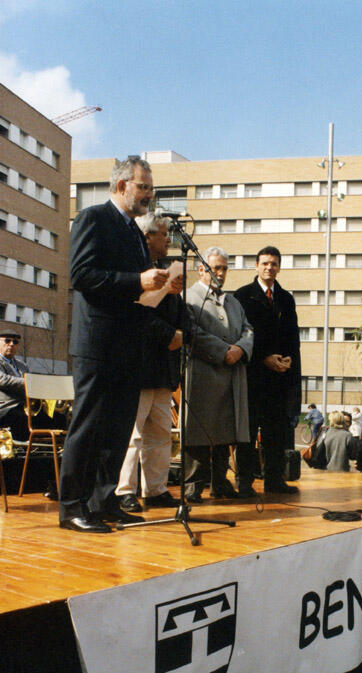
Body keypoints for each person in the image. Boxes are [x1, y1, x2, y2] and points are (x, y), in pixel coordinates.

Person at [58, 156, 173, 533]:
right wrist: (138, 281)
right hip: (98, 342)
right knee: (89, 425)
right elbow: (83, 275)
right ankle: (73, 506)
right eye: (143, 187)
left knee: (118, 429)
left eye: (151, 189)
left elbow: (135, 288)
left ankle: (104, 501)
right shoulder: (93, 219)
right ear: (122, 186)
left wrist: (159, 289)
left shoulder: (136, 234)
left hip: (128, 345)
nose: (149, 195)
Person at [117, 212, 189, 512]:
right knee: (133, 434)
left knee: (160, 433)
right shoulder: (136, 268)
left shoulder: (167, 271)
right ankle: (124, 490)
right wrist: (168, 334)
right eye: (163, 234)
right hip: (139, 363)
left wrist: (183, 332)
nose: (168, 239)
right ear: (147, 236)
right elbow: (139, 315)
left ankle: (156, 489)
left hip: (163, 367)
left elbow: (180, 313)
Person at [184, 247, 254, 503]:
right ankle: (193, 484)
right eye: (216, 268)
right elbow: (192, 332)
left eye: (224, 268)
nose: (221, 273)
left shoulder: (233, 301)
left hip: (232, 374)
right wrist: (223, 350)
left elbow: (248, 330)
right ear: (201, 269)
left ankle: (220, 482)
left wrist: (241, 349)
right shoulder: (189, 298)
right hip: (203, 372)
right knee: (198, 432)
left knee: (226, 430)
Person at [234, 246, 301, 496]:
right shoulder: (242, 296)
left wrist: (290, 361)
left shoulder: (286, 298)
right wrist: (263, 358)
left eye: (273, 264)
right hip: (253, 377)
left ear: (279, 267)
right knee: (248, 434)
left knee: (276, 433)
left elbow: (293, 337)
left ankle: (274, 480)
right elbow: (241, 335)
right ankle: (245, 482)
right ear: (256, 266)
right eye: (264, 263)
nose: (269, 268)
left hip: (279, 379)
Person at [0, 330, 29, 441]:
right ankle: (21, 452)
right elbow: (3, 380)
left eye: (15, 342)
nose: (11, 344)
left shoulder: (22, 365)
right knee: (20, 417)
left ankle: (53, 449)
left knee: (54, 417)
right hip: (4, 407)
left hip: (23, 406)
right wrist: (29, 382)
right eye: (7, 341)